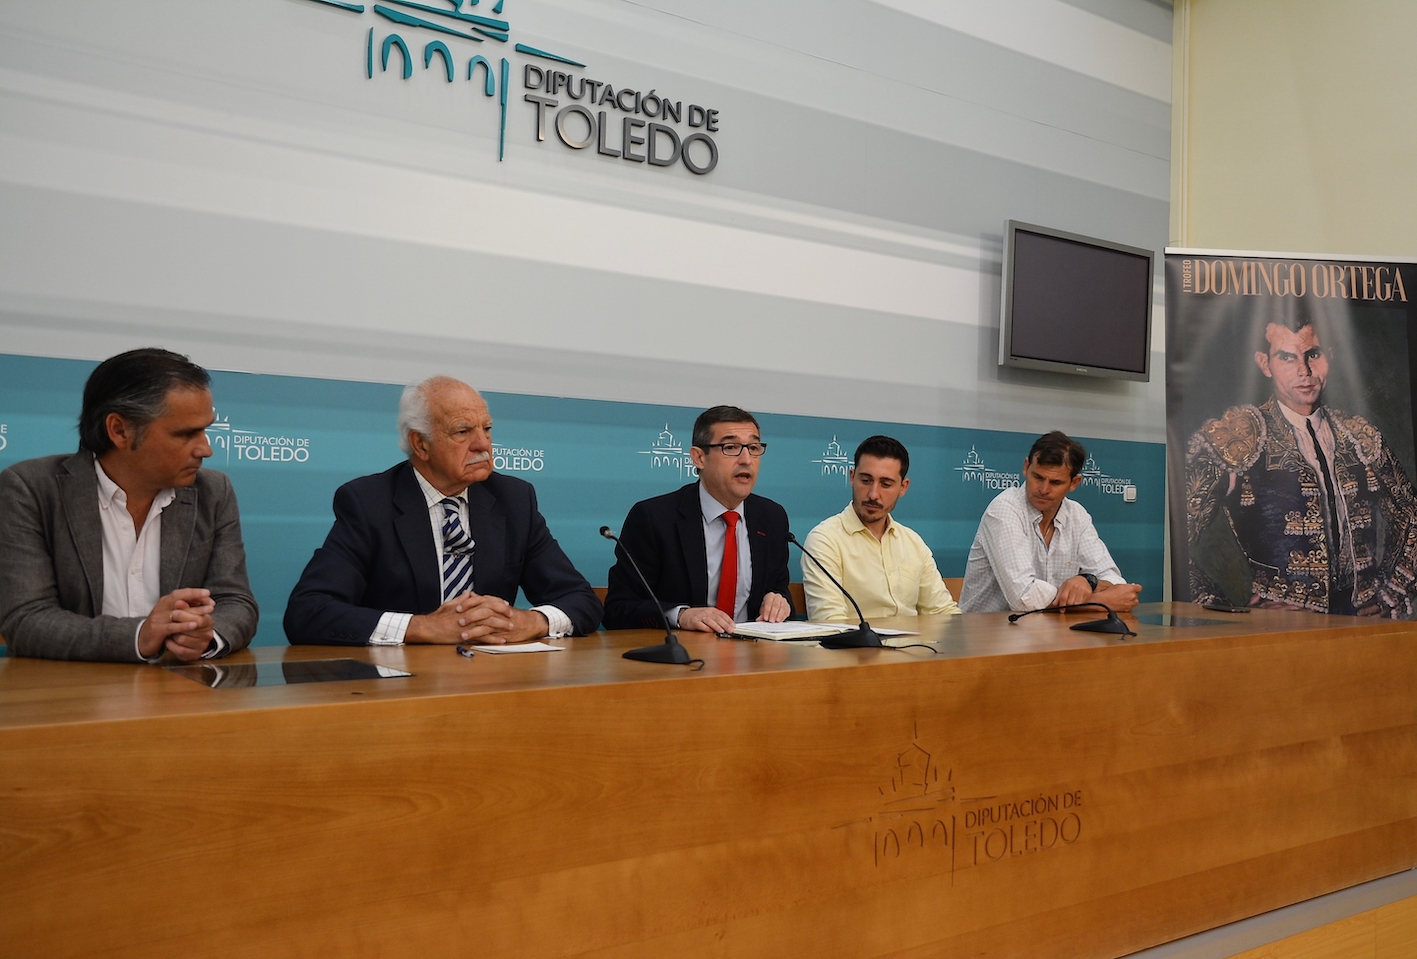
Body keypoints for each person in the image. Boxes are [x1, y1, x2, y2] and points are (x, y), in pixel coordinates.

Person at [283, 376, 601, 645]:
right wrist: (424, 627)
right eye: (462, 432)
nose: (483, 445)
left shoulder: (513, 499)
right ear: (421, 445)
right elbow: (308, 611)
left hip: (492, 682)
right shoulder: (369, 502)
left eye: (486, 429)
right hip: (399, 689)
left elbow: (581, 600)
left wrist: (531, 621)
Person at [0, 348, 258, 662]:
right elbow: (26, 619)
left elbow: (236, 601)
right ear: (119, 430)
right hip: (67, 697)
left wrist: (204, 636)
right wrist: (139, 636)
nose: (205, 449)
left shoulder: (214, 491)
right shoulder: (31, 488)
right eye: (186, 434)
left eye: (205, 429)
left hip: (177, 695)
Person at [1186, 309, 1417, 615]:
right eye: (1287, 357)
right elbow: (1177, 534)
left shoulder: (1359, 435)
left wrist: (1391, 593)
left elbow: (1411, 516)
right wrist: (1221, 607)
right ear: (1264, 364)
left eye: (1313, 354)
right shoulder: (1238, 436)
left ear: (1330, 356)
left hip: (1359, 616)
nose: (1304, 370)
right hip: (1280, 623)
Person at [603, 405, 793, 631]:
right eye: (730, 447)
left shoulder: (771, 518)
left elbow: (779, 590)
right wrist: (681, 616)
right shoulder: (654, 518)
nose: (746, 459)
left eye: (753, 447)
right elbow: (618, 610)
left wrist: (779, 602)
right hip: (684, 657)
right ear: (699, 457)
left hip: (754, 657)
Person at [961, 431, 1141, 613]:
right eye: (1037, 477)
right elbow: (1024, 598)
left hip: (1049, 632)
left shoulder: (1077, 515)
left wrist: (1088, 581)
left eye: (1055, 482)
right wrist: (1098, 602)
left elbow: (1115, 580)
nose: (1043, 489)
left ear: (1074, 483)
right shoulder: (1004, 509)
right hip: (987, 634)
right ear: (1026, 467)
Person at [801, 435, 960, 622]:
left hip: (916, 649)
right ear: (852, 477)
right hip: (852, 650)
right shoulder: (825, 539)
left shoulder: (913, 542)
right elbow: (830, 622)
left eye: (886, 484)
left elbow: (943, 613)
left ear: (903, 487)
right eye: (866, 481)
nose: (873, 494)